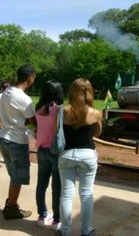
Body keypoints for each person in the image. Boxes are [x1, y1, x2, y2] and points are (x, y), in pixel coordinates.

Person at [56, 78, 102, 236]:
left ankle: (64, 231)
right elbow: (97, 133)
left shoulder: (62, 110)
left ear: (72, 91)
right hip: (87, 155)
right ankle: (86, 230)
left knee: (66, 194)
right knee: (87, 194)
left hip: (67, 154)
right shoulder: (96, 113)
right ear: (90, 92)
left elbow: (59, 130)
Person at [0, 64, 37, 220]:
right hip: (16, 141)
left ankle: (10, 201)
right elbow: (33, 122)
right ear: (30, 77)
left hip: (3, 138)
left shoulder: (6, 92)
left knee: (13, 174)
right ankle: (12, 208)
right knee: (18, 176)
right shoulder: (23, 98)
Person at [35, 80, 63, 230]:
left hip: (41, 150)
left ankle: (41, 215)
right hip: (55, 151)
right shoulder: (59, 109)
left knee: (41, 185)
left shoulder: (39, 108)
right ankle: (56, 220)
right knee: (56, 187)